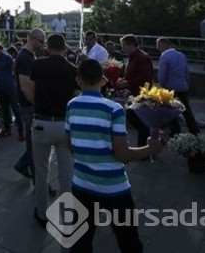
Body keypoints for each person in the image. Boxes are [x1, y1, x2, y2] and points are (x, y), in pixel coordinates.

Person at [66, 59, 162, 253]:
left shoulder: (72, 106)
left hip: (82, 184)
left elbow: (71, 146)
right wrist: (150, 149)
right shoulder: (114, 109)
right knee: (129, 241)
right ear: (103, 80)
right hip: (114, 187)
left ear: (78, 80)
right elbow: (122, 154)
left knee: (80, 243)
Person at [26, 34, 78, 226]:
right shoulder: (73, 69)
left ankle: (41, 213)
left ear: (47, 47)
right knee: (67, 174)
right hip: (65, 124)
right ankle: (68, 216)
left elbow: (32, 90)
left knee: (41, 171)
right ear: (65, 48)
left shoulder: (37, 65)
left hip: (42, 122)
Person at [13, 29, 45, 184]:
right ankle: (37, 181)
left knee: (35, 143)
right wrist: (37, 105)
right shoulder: (25, 58)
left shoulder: (29, 56)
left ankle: (22, 164)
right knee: (34, 146)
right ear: (33, 39)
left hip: (28, 105)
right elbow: (25, 87)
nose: (42, 44)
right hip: (29, 106)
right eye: (41, 41)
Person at [116, 34, 154, 147]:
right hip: (134, 92)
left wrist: (127, 83)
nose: (123, 49)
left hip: (141, 93)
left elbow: (145, 78)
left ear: (132, 45)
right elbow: (133, 74)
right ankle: (147, 145)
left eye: (124, 46)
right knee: (135, 119)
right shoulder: (134, 57)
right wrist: (124, 80)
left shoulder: (142, 57)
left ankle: (146, 147)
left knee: (137, 120)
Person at [156, 38, 199, 135]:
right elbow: (186, 72)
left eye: (158, 45)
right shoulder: (181, 55)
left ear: (164, 44)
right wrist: (186, 83)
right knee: (186, 110)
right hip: (183, 86)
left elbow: (162, 74)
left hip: (170, 88)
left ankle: (175, 132)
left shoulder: (165, 57)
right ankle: (194, 130)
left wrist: (161, 86)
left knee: (171, 111)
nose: (157, 48)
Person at [0, 43, 23, 140]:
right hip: (1, 88)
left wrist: (15, 82)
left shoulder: (7, 58)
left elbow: (15, 70)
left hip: (11, 87)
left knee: (15, 108)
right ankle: (7, 129)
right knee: (5, 110)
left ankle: (21, 131)